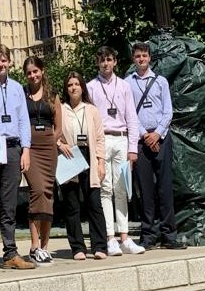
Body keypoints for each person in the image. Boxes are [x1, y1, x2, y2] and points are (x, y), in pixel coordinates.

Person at [0, 44, 35, 270]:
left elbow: (23, 121)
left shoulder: (18, 88)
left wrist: (26, 150)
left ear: (9, 61)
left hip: (12, 148)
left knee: (9, 205)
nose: (0, 65)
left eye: (4, 61)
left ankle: (10, 253)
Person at [125, 42, 187, 250]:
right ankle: (148, 235)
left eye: (144, 55)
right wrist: (145, 135)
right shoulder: (128, 83)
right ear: (133, 59)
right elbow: (130, 113)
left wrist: (157, 134)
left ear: (150, 58)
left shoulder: (160, 82)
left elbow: (168, 111)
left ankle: (169, 235)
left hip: (161, 138)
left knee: (165, 188)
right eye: (137, 56)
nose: (141, 59)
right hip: (141, 141)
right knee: (145, 190)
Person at [87, 46, 145, 256]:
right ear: (98, 63)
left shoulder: (124, 86)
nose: (106, 64)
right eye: (102, 60)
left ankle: (125, 236)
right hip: (102, 140)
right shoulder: (91, 87)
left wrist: (132, 148)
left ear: (115, 62)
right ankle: (110, 238)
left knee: (122, 189)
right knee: (105, 189)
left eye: (109, 60)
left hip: (121, 139)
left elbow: (132, 117)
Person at [58, 71, 107, 260]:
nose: (73, 88)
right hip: (70, 156)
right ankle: (77, 247)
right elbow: (53, 134)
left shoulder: (91, 110)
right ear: (66, 88)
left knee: (94, 203)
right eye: (70, 85)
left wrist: (101, 161)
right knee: (71, 205)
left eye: (76, 84)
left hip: (89, 155)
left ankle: (99, 246)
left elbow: (100, 138)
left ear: (82, 87)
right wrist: (59, 145)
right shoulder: (61, 109)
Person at [23, 56, 62, 266]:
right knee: (36, 191)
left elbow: (59, 128)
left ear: (42, 71)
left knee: (48, 194)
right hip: (30, 149)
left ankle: (45, 248)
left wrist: (51, 142)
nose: (33, 75)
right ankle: (34, 244)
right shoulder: (21, 94)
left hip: (48, 149)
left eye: (35, 71)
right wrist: (25, 147)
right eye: (29, 72)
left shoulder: (52, 96)